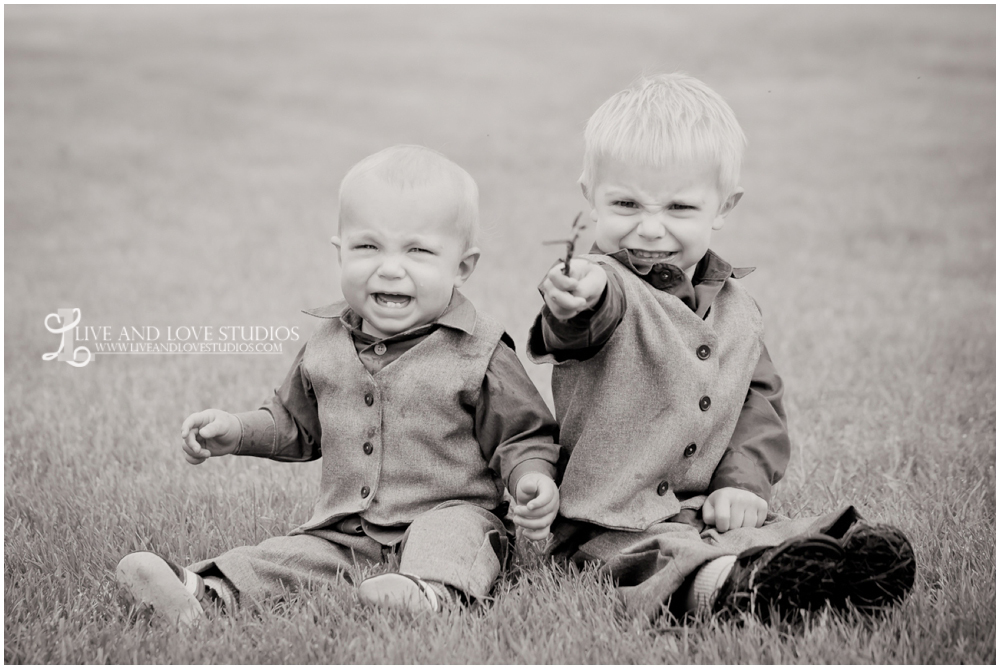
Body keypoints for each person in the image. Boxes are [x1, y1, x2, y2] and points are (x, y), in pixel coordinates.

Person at [117, 145, 561, 625]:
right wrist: (237, 431)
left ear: (462, 267)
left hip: (452, 513)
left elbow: (523, 435)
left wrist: (530, 478)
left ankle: (429, 596)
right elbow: (294, 424)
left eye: (418, 250)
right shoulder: (327, 344)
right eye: (367, 247)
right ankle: (203, 592)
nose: (390, 267)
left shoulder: (481, 351)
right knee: (291, 555)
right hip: (348, 532)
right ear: (340, 251)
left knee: (453, 535)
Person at [528, 74, 915, 623]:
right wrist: (574, 301)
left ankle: (836, 569)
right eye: (625, 203)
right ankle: (735, 591)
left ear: (723, 205)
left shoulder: (738, 309)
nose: (650, 228)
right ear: (589, 197)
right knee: (666, 558)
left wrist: (741, 484)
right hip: (609, 521)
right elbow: (584, 320)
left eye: (679, 208)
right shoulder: (601, 283)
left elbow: (758, 403)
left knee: (771, 532)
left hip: (699, 510)